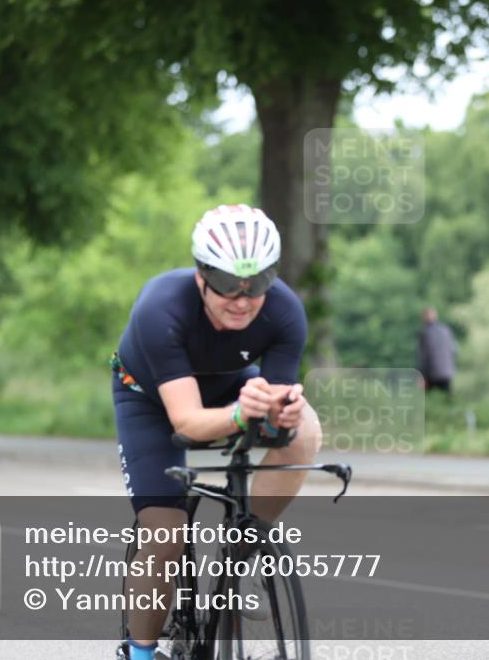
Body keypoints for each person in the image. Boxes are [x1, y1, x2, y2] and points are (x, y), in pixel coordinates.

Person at [111, 204, 322, 660]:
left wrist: (279, 416)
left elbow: (274, 408)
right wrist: (243, 417)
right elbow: (186, 421)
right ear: (201, 276)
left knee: (305, 426)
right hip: (150, 402)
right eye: (228, 285)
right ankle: (140, 651)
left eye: (258, 284)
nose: (242, 300)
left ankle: (245, 551)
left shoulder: (285, 312)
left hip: (231, 388)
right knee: (165, 535)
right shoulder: (160, 307)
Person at [416, 307, 458, 394]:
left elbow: (423, 356)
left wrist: (421, 376)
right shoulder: (446, 330)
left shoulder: (424, 333)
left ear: (424, 317)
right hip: (447, 371)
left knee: (424, 400)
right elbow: (454, 350)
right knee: (447, 397)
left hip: (431, 373)